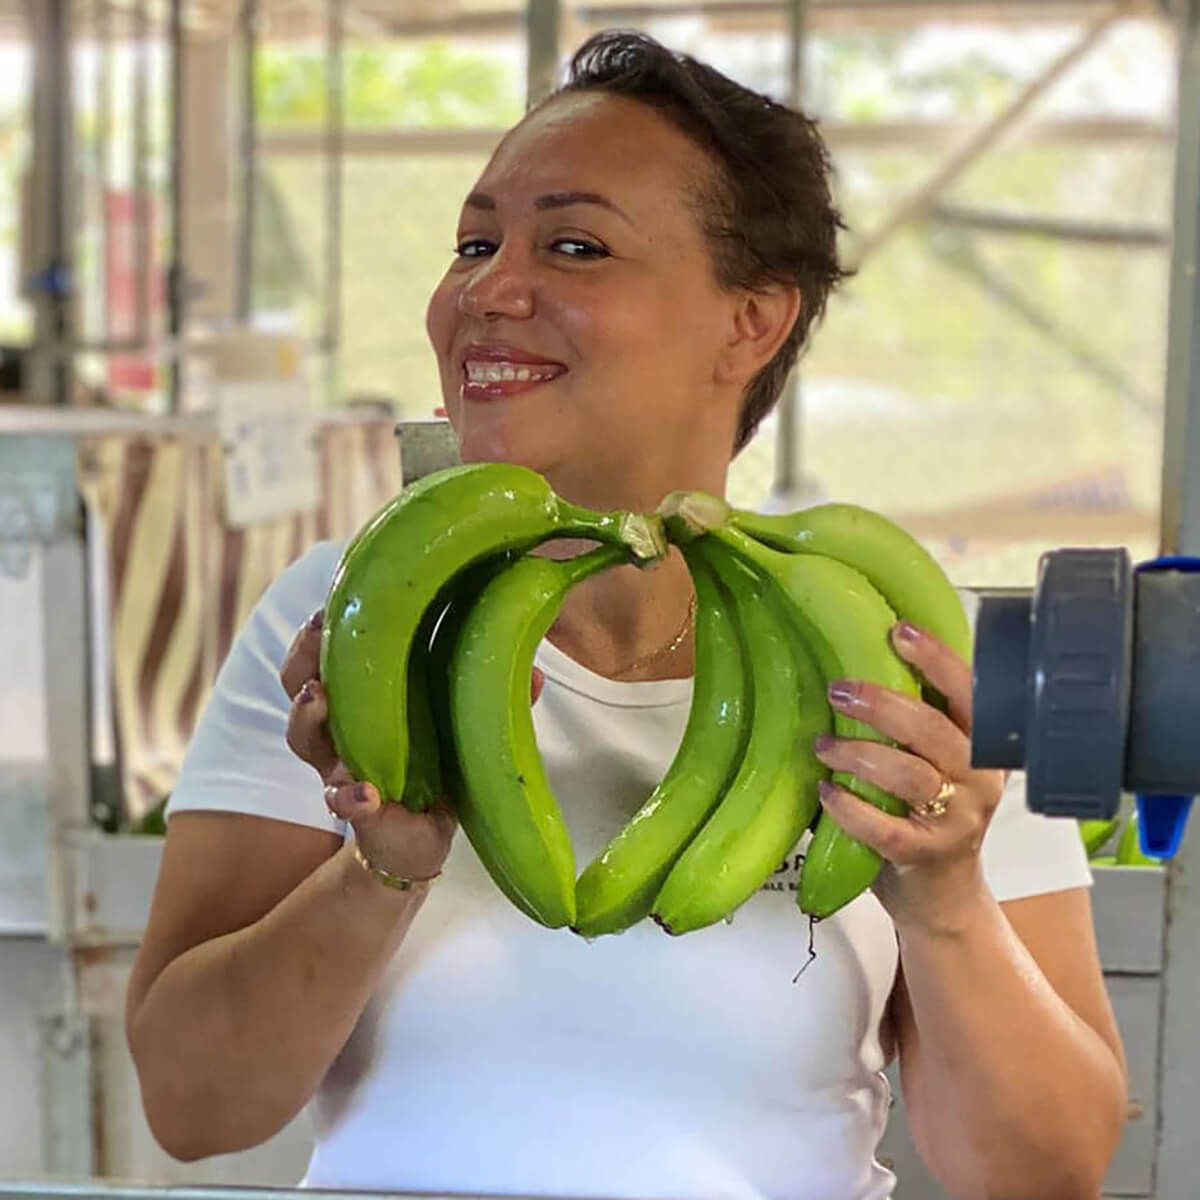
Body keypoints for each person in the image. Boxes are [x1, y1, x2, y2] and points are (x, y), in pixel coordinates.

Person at [126, 30, 1128, 1200]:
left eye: (575, 245)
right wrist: (376, 869)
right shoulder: (348, 618)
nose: (486, 291)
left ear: (751, 322)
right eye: (473, 242)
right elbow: (193, 1111)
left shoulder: (906, 663)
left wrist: (946, 895)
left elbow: (1044, 1174)